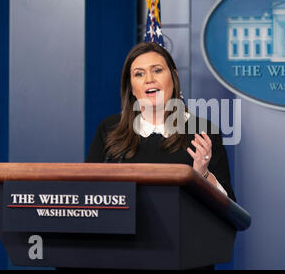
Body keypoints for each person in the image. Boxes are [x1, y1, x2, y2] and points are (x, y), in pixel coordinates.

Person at [85, 42, 235, 201]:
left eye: (157, 70)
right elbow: (86, 192)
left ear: (174, 77)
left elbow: (229, 208)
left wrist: (202, 173)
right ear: (132, 88)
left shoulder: (202, 131)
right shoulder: (110, 129)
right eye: (139, 74)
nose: (149, 79)